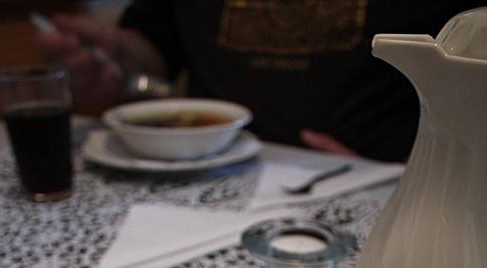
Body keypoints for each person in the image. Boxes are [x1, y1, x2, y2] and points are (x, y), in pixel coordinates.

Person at [37, 1, 475, 162]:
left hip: (384, 186)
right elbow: (153, 41)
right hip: (199, 175)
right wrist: (112, 55)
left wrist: (421, 174)